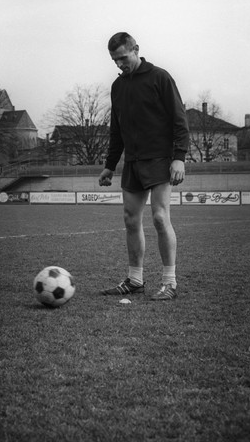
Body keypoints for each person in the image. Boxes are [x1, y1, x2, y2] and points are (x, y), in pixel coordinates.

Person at [98, 32, 189, 301]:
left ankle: (169, 282)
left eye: (123, 58)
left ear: (136, 50)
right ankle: (135, 280)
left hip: (160, 159)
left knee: (160, 217)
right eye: (115, 60)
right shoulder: (118, 87)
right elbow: (117, 130)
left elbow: (179, 120)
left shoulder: (160, 77)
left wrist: (179, 157)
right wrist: (109, 165)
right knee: (130, 219)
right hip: (133, 162)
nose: (119, 64)